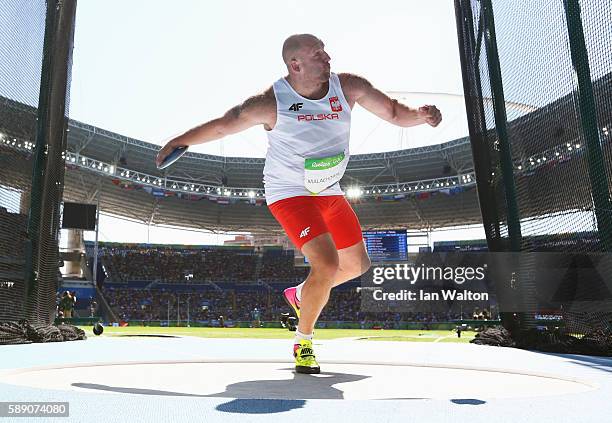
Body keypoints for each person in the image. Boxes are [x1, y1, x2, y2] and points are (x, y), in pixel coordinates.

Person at [156, 34, 442, 374]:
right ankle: (303, 342)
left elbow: (396, 112)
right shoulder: (269, 102)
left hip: (328, 190)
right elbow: (222, 126)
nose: (327, 57)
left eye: (325, 50)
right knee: (326, 262)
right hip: (289, 192)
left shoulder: (348, 87)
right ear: (296, 64)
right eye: (317, 53)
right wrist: (179, 141)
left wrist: (420, 117)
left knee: (357, 265)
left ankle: (301, 294)